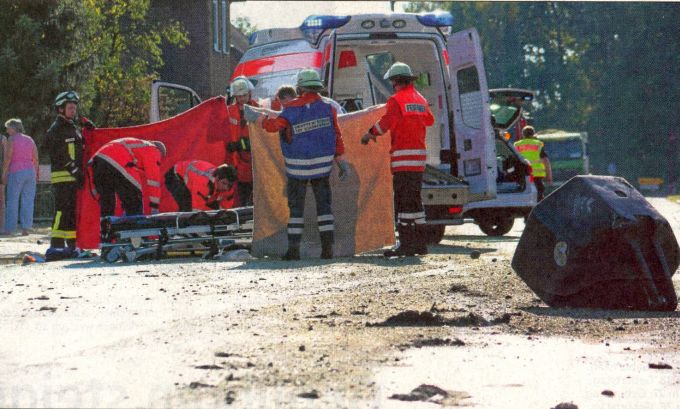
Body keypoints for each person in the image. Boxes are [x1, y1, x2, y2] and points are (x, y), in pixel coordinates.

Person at [254, 69, 349, 260]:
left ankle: (293, 250)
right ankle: (327, 249)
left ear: (300, 88)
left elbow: (274, 127)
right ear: (317, 87)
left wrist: (259, 118)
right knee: (324, 208)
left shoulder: (292, 108)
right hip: (322, 168)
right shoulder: (328, 108)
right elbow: (337, 136)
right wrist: (341, 163)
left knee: (296, 210)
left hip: (297, 169)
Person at [361, 62, 434, 257]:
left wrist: (369, 134)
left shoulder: (396, 100)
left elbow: (386, 122)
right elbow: (429, 120)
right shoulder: (420, 99)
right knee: (416, 201)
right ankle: (420, 244)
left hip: (403, 158)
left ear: (395, 82)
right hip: (418, 158)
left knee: (403, 202)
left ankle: (406, 244)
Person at [44, 91, 85, 248]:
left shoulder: (71, 127)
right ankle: (56, 244)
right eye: (70, 108)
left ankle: (72, 243)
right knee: (61, 211)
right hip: (63, 177)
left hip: (72, 177)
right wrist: (75, 171)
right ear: (60, 109)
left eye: (74, 108)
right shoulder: (56, 129)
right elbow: (60, 154)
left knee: (70, 212)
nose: (73, 111)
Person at [88, 137, 166, 217]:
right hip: (117, 158)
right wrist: (155, 208)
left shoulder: (135, 145)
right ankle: (133, 225)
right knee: (134, 197)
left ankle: (106, 226)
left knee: (107, 202)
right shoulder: (153, 149)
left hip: (97, 162)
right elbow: (153, 180)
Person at [226, 76, 259, 207]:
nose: (242, 99)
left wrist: (244, 145)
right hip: (237, 162)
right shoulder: (230, 111)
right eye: (239, 96)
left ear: (249, 94)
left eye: (244, 95)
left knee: (254, 197)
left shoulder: (257, 109)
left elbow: (262, 135)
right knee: (240, 195)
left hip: (254, 161)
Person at [2, 119, 38, 235]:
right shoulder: (30, 139)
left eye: (8, 128)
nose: (7, 131)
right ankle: (26, 228)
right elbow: (35, 158)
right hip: (30, 171)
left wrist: (3, 174)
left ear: (13, 128)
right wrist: (36, 173)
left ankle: (10, 228)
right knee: (28, 200)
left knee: (12, 200)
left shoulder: (11, 139)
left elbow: (8, 158)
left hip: (16, 171)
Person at [165, 160, 238, 211]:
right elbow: (196, 210)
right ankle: (185, 230)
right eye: (224, 183)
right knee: (187, 205)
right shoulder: (204, 182)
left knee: (213, 208)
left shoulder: (228, 188)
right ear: (217, 178)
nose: (226, 188)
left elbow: (225, 209)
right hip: (175, 175)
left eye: (229, 185)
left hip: (196, 180)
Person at [514, 125, 552, 201]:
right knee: (539, 197)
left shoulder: (517, 145)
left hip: (522, 175)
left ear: (523, 134)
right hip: (536, 176)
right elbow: (545, 161)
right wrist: (549, 177)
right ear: (533, 134)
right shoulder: (538, 144)